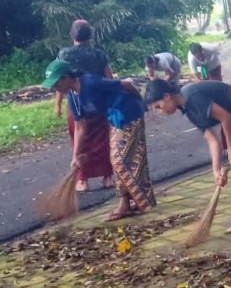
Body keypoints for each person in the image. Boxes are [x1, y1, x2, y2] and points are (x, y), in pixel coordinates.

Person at [145, 79, 231, 234]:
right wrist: (216, 170)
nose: (161, 111)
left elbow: (225, 117)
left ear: (167, 96)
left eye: (158, 106)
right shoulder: (189, 110)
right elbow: (213, 141)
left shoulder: (192, 95)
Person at [42, 59, 155, 220]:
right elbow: (80, 127)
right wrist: (76, 156)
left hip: (129, 112)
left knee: (119, 160)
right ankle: (129, 203)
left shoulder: (90, 82)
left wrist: (142, 103)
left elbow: (126, 84)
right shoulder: (73, 98)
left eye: (56, 83)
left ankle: (128, 203)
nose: (55, 88)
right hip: (115, 118)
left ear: (66, 78)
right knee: (121, 159)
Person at [55, 20, 114, 192]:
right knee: (102, 139)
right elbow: (109, 77)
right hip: (99, 101)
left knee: (79, 139)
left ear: (72, 35)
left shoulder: (65, 54)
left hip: (76, 102)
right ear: (90, 35)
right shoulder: (99, 54)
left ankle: (82, 180)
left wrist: (57, 105)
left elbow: (60, 80)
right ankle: (107, 177)